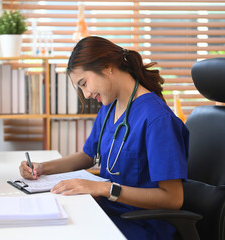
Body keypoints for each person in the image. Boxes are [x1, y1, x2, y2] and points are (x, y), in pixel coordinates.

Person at [19, 36, 189, 240]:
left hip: (141, 225)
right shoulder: (109, 108)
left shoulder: (156, 119)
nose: (87, 94)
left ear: (108, 67)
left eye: (84, 84)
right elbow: (87, 155)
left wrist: (103, 188)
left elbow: (173, 199)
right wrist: (42, 168)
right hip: (109, 213)